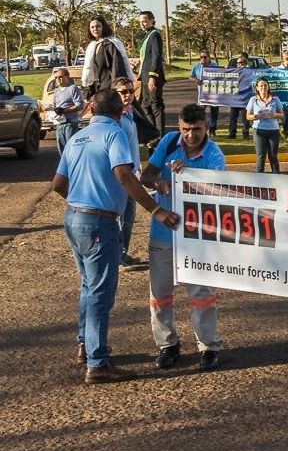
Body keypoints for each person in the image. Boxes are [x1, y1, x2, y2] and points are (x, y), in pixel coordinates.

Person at [52, 88, 179, 384]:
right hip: (100, 222)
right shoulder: (115, 135)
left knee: (88, 285)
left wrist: (81, 199)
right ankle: (97, 363)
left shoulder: (76, 138)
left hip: (74, 217)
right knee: (100, 293)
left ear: (90, 109)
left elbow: (58, 183)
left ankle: (85, 343)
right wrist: (156, 211)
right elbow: (124, 175)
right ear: (120, 112)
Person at [140, 104, 227, 371]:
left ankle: (208, 346)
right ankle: (167, 345)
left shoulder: (214, 154)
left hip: (197, 235)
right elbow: (146, 176)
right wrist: (160, 183)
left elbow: (217, 192)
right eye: (186, 130)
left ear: (206, 127)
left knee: (201, 293)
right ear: (179, 127)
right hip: (163, 232)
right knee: (160, 293)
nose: (191, 135)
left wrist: (186, 174)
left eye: (197, 130)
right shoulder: (168, 142)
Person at [112, 76, 158, 271]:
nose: (128, 95)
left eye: (131, 91)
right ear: (115, 94)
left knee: (129, 217)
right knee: (121, 217)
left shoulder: (130, 114)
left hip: (133, 172)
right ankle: (116, 256)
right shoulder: (115, 118)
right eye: (123, 92)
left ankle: (122, 252)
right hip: (121, 176)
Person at [80, 15, 131, 98]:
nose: (95, 29)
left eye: (98, 26)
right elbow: (91, 73)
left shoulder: (111, 45)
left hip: (110, 90)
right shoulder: (93, 46)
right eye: (92, 27)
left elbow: (117, 69)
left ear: (104, 27)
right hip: (98, 89)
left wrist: (116, 89)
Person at [136, 10, 166, 134]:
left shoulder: (155, 35)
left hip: (152, 77)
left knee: (155, 105)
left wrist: (152, 76)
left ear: (152, 21)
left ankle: (159, 135)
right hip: (144, 77)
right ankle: (153, 132)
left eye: (145, 21)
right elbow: (146, 57)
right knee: (145, 105)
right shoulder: (147, 36)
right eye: (141, 22)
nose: (143, 24)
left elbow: (156, 57)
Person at [246, 76, 284, 173]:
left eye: (265, 85)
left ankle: (277, 178)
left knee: (273, 156)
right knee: (261, 156)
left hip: (273, 131)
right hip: (259, 131)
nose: (263, 87)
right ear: (257, 88)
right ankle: (259, 181)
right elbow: (248, 116)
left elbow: (282, 115)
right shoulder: (253, 100)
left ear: (268, 87)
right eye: (261, 85)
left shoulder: (275, 99)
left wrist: (273, 114)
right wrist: (257, 116)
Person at [47, 67, 84, 152]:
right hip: (59, 123)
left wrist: (64, 110)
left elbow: (79, 105)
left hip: (70, 122)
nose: (58, 79)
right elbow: (54, 106)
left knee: (71, 147)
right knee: (61, 148)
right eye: (56, 77)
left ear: (67, 77)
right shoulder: (56, 91)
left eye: (60, 77)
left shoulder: (73, 88)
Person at [188, 51, 220, 135]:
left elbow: (221, 75)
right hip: (202, 94)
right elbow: (191, 76)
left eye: (205, 57)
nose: (203, 59)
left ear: (209, 57)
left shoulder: (214, 65)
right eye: (201, 57)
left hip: (213, 93)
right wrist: (196, 80)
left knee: (214, 112)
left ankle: (212, 130)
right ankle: (200, 129)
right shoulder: (197, 66)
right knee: (200, 112)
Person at [226, 53, 252, 139]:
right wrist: (225, 71)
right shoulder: (233, 72)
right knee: (233, 117)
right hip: (235, 99)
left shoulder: (249, 72)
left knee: (245, 118)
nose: (238, 64)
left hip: (245, 99)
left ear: (245, 63)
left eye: (240, 63)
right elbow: (226, 80)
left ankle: (245, 134)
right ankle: (232, 134)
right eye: (237, 63)